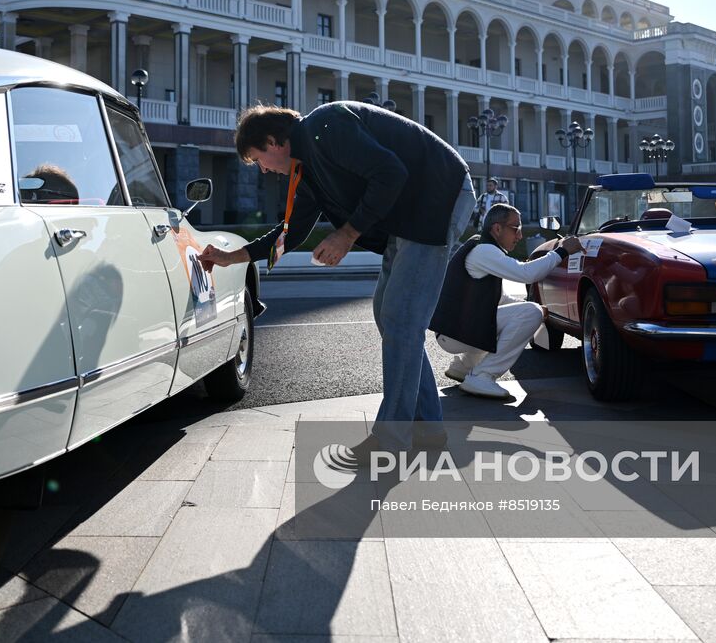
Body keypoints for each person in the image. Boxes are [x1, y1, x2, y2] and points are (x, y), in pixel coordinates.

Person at [199, 102, 474, 452]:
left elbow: (391, 173)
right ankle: (428, 427)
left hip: (439, 196)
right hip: (408, 217)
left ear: (273, 142)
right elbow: (291, 234)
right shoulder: (309, 170)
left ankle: (392, 438)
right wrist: (230, 257)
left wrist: (347, 234)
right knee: (389, 317)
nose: (264, 171)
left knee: (402, 322)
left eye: (258, 160)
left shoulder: (328, 126)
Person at [430, 203, 582, 398]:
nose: (520, 235)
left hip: (453, 330)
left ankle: (464, 366)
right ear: (497, 228)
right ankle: (482, 376)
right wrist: (562, 251)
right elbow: (526, 273)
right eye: (516, 228)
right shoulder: (484, 251)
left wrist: (534, 307)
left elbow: (500, 300)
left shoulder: (482, 247)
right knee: (531, 314)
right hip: (455, 332)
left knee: (525, 312)